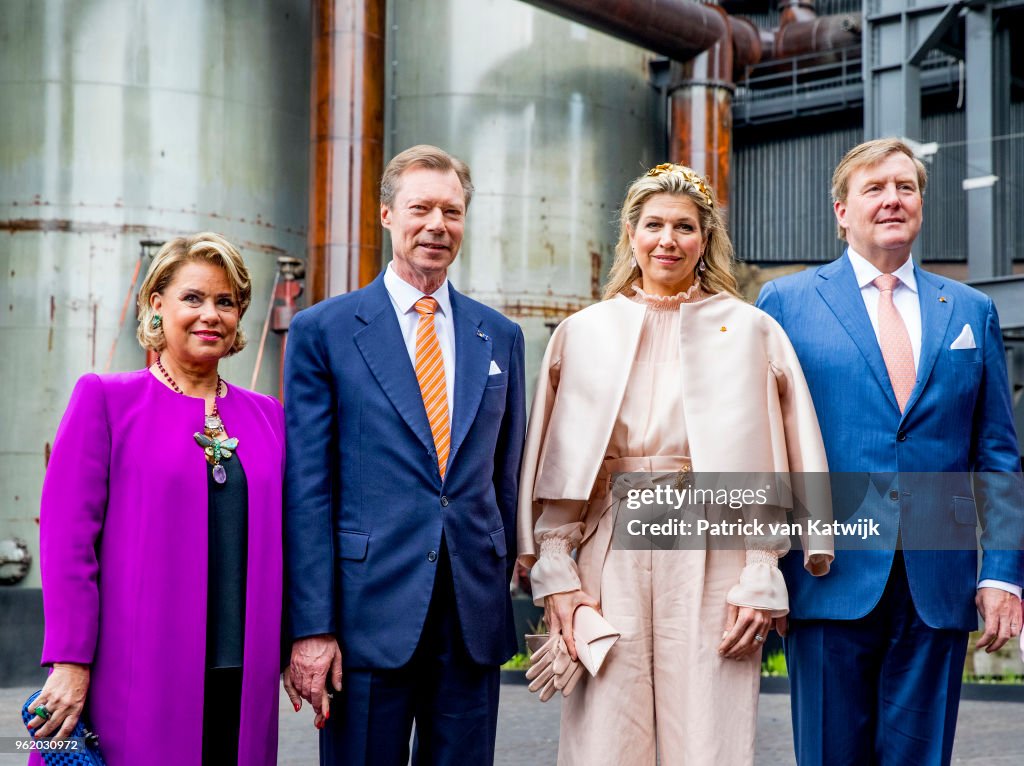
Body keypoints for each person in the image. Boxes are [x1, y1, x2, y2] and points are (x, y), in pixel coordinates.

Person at [517, 163, 832, 765]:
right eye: (654, 224)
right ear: (631, 235)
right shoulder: (582, 332)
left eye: (685, 227)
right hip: (609, 544)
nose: (669, 239)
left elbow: (788, 444)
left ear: (705, 238)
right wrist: (556, 574)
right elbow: (552, 458)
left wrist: (763, 569)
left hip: (715, 542)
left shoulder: (752, 331)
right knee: (604, 737)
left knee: (708, 735)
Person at [757, 138, 1024, 765]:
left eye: (905, 187)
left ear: (921, 207)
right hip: (827, 574)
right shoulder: (785, 304)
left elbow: (998, 456)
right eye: (873, 188)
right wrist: (758, 566)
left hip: (937, 579)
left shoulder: (969, 310)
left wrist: (1003, 572)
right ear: (841, 211)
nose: (892, 200)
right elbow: (763, 446)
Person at [283, 144, 526, 765]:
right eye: (421, 208)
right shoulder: (324, 331)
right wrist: (312, 627)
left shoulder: (499, 336)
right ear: (387, 214)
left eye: (452, 211)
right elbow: (308, 487)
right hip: (366, 612)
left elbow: (506, 472)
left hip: (469, 612)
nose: (437, 225)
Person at [29, 233, 286, 765]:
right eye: (193, 297)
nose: (210, 314)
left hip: (244, 671)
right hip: (137, 669)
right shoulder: (106, 400)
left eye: (226, 301)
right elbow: (68, 544)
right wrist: (69, 660)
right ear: (156, 305)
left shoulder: (269, 417)